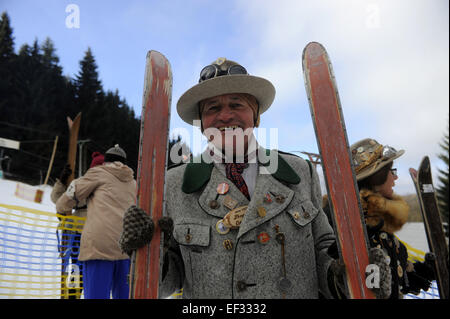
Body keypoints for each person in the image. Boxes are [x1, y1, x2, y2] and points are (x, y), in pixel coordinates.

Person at [121, 57, 363, 299]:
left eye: (236, 105)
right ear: (202, 124)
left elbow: (323, 254)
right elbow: (167, 283)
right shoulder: (173, 184)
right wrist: (148, 254)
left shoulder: (300, 172)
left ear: (255, 116)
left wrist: (353, 276)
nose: (225, 116)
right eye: (212, 108)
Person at [326, 138, 435, 299]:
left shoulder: (378, 225)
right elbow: (338, 285)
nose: (395, 178)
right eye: (392, 172)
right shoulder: (346, 227)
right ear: (376, 178)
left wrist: (430, 269)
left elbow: (398, 279)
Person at [56, 145, 136, 299]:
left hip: (99, 247)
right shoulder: (133, 183)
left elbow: (71, 195)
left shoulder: (98, 173)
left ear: (106, 161)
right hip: (125, 248)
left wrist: (61, 207)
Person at [51, 151, 105, 299]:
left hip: (98, 241)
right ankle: (73, 296)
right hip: (78, 239)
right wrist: (62, 182)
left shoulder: (109, 189)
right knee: (76, 275)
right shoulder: (84, 184)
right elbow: (57, 199)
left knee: (92, 278)